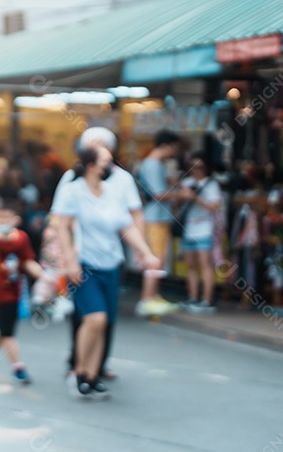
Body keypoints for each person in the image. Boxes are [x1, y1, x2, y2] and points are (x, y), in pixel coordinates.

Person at [53, 146, 161, 399]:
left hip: (111, 265)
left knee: (105, 323)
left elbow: (127, 227)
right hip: (84, 266)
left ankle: (92, 377)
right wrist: (70, 261)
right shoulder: (73, 191)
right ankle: (79, 371)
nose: (110, 167)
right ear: (91, 166)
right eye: (105, 162)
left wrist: (146, 253)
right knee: (95, 319)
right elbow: (62, 227)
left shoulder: (112, 193)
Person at [0, 201, 49, 384]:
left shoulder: (21, 238)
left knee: (4, 327)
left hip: (16, 289)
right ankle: (18, 367)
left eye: (6, 218)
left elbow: (27, 261)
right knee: (8, 332)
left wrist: (43, 276)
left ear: (16, 220)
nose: (3, 221)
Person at [135, 130, 182, 317]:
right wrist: (181, 194)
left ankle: (153, 296)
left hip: (157, 217)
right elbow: (158, 194)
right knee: (156, 259)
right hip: (155, 218)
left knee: (158, 258)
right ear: (166, 146)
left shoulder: (152, 163)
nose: (175, 151)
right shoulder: (153, 164)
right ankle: (147, 299)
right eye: (174, 147)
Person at [177, 152, 223, 314]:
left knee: (205, 264)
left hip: (205, 228)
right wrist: (182, 196)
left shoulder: (211, 185)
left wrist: (195, 198)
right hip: (188, 228)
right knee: (190, 264)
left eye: (200, 167)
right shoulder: (186, 182)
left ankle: (207, 299)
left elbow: (214, 207)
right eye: (192, 167)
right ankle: (193, 297)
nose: (196, 170)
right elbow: (177, 204)